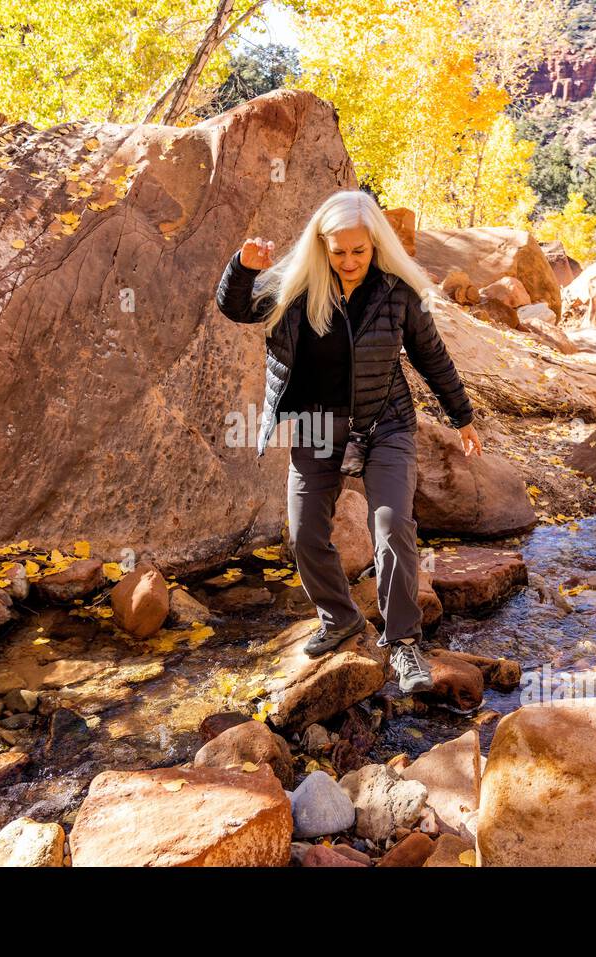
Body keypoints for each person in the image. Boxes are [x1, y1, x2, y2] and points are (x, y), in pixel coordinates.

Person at [214, 189, 482, 694]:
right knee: (304, 533)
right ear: (322, 245)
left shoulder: (397, 291)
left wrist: (462, 418)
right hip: (317, 425)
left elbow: (432, 357)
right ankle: (340, 618)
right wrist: (243, 267)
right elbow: (237, 308)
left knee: (391, 528)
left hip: (386, 423)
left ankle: (403, 644)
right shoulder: (294, 288)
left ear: (375, 244)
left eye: (360, 251)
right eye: (339, 251)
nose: (350, 261)